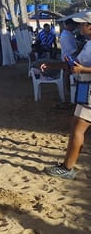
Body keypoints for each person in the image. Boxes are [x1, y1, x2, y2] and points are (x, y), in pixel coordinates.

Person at [44, 12, 91, 179]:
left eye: (82, 24)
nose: (79, 27)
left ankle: (67, 168)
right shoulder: (87, 44)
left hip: (89, 88)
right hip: (85, 87)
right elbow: (74, 63)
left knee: (78, 128)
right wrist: (52, 65)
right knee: (76, 126)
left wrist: (82, 70)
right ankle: (67, 166)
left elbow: (80, 67)